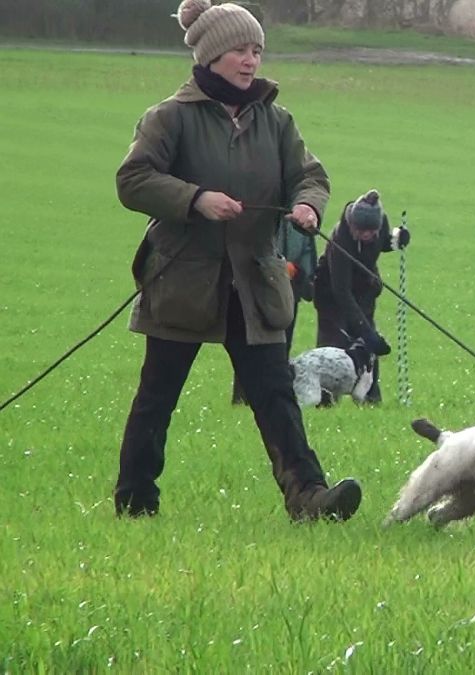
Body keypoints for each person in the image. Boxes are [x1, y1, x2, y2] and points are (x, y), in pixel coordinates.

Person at [113, 0, 361, 521]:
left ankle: (310, 498)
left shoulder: (276, 120)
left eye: (257, 51)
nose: (251, 61)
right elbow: (132, 180)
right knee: (157, 396)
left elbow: (310, 176)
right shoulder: (169, 117)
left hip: (255, 284)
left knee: (274, 394)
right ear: (210, 55)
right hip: (181, 280)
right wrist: (196, 199)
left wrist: (307, 205)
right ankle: (136, 502)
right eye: (239, 51)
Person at [312, 189, 410, 404]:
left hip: (364, 290)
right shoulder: (340, 241)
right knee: (333, 347)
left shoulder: (380, 221)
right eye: (361, 232)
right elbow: (341, 291)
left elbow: (382, 242)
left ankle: (371, 398)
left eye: (371, 232)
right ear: (353, 226)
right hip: (332, 296)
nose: (366, 236)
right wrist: (364, 330)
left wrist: (396, 239)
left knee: (368, 348)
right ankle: (325, 400)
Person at [231, 216, 317, 404]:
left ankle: (275, 397)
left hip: (288, 294)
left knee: (281, 347)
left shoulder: (299, 221)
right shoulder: (263, 216)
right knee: (250, 344)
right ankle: (242, 398)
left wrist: (298, 272)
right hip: (256, 289)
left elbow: (308, 253)